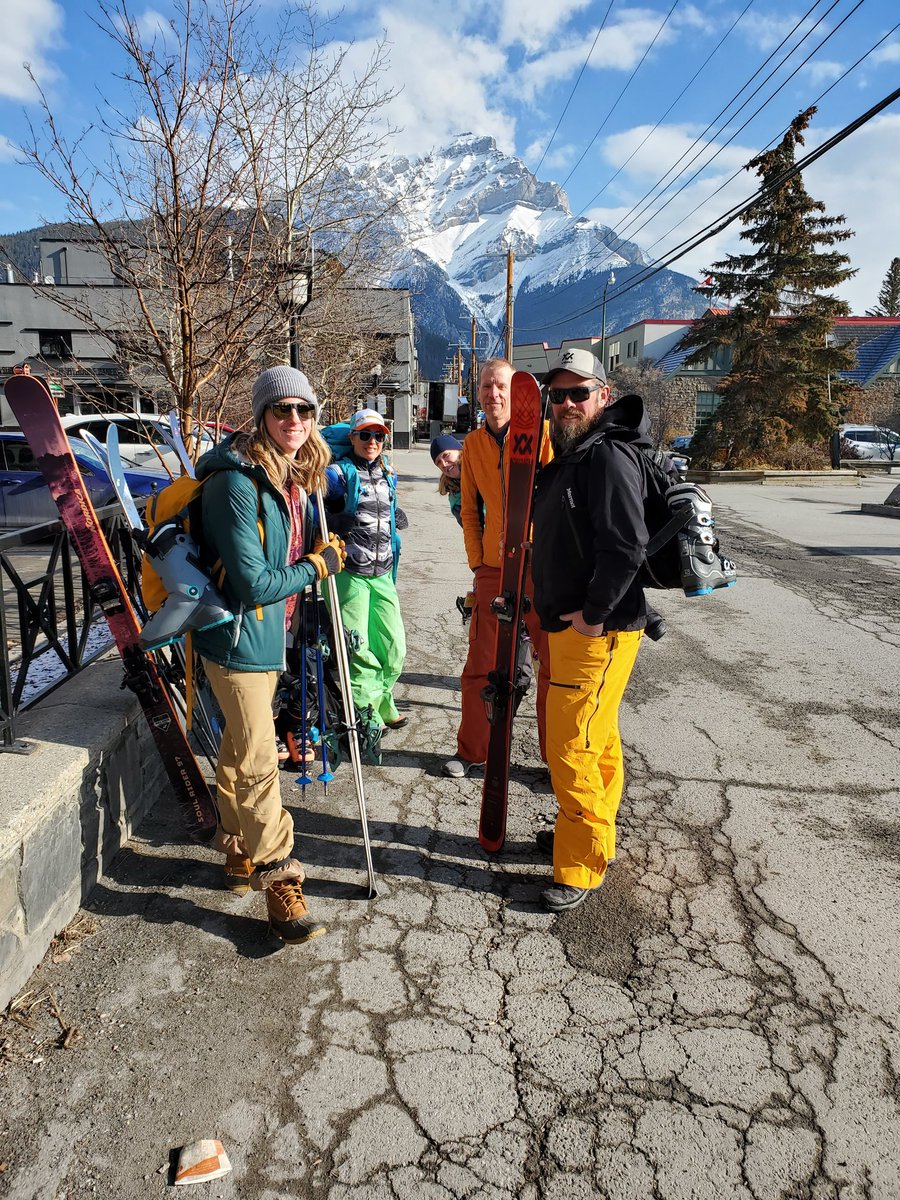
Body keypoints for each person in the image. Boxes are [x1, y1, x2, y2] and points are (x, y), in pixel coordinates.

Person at [193, 365, 345, 946]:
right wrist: (316, 567)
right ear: (261, 416)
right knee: (259, 756)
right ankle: (279, 874)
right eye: (282, 410)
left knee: (238, 748)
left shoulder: (287, 476)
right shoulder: (237, 482)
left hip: (262, 635)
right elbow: (254, 583)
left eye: (305, 411)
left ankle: (236, 851)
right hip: (235, 637)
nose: (295, 421)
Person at [531, 348, 650, 913]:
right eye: (558, 395)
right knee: (597, 742)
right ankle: (587, 836)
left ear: (604, 395)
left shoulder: (606, 458)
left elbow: (626, 545)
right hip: (577, 627)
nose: (567, 404)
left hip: (595, 631)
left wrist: (593, 613)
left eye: (580, 393)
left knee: (570, 747)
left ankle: (581, 863)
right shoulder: (576, 454)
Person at [446, 358, 552, 778]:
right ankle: (473, 750)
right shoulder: (472, 444)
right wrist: (478, 562)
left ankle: (554, 761)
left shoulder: (543, 436)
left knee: (552, 666)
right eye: (487, 386)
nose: (494, 394)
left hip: (539, 566)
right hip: (493, 566)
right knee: (480, 665)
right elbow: (470, 510)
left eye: (502, 386)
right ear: (479, 393)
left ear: (519, 392)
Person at [325, 408, 407, 732]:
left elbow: (383, 506)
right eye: (365, 435)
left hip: (383, 572)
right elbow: (308, 507)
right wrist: (332, 521)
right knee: (356, 648)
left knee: (393, 647)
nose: (372, 441)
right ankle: (365, 713)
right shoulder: (338, 474)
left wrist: (396, 515)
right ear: (353, 438)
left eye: (378, 435)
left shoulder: (389, 475)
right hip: (350, 575)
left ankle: (383, 701)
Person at [430, 433, 463, 526]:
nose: (444, 464)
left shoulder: (483, 470)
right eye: (438, 462)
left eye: (446, 455)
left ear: (459, 450)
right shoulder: (456, 498)